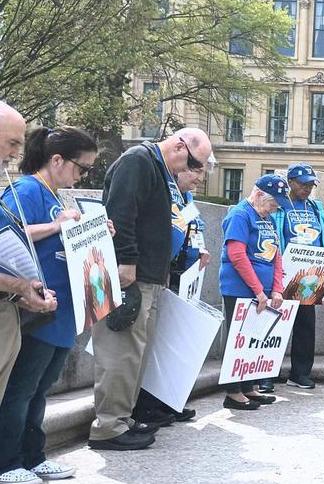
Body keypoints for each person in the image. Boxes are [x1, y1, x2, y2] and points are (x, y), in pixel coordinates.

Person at [90, 128, 213, 451]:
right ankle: (108, 425)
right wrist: (127, 259)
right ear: (179, 145)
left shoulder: (158, 168)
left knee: (136, 354)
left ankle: (123, 417)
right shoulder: (138, 162)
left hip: (149, 276)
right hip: (131, 275)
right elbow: (121, 212)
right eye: (193, 163)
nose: (191, 171)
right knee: (121, 351)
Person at [0, 127, 102, 483]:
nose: (81, 176)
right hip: (37, 308)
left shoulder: (53, 193)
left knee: (39, 388)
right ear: (56, 159)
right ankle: (9, 462)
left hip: (60, 309)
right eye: (81, 168)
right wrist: (57, 226)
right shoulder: (27, 189)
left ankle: (33, 455)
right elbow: (10, 236)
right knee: (22, 388)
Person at [131, 163, 212, 425]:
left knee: (172, 345)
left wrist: (200, 250)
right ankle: (147, 406)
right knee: (156, 343)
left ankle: (168, 401)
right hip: (167, 273)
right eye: (195, 172)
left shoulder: (186, 198)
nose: (199, 179)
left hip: (187, 275)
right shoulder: (167, 193)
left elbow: (192, 230)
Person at [218, 175, 291, 411]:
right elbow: (237, 255)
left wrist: (277, 289)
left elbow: (276, 255)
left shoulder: (267, 218)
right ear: (259, 195)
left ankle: (249, 386)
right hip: (239, 289)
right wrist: (259, 291)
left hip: (263, 290)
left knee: (254, 339)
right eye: (273, 202)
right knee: (238, 338)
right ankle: (233, 391)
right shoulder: (240, 214)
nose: (275, 207)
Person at [0, 103, 56, 408]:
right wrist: (19, 287)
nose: (15, 154)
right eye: (11, 143)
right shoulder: (24, 188)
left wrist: (22, 289)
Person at [272, 163, 324, 389]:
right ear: (290, 182)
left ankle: (300, 373)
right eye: (302, 184)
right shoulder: (279, 207)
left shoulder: (315, 208)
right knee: (276, 325)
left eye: (310, 184)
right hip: (284, 273)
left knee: (306, 325)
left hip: (310, 276)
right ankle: (266, 373)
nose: (307, 188)